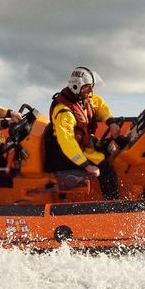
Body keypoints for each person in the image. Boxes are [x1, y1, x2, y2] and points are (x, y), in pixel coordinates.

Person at [43, 66, 122, 199]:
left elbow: (99, 104)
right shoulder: (64, 112)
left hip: (82, 144)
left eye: (91, 87)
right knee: (105, 167)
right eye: (87, 87)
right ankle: (112, 203)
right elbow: (67, 141)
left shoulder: (84, 98)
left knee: (111, 149)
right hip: (66, 152)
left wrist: (111, 122)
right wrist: (85, 165)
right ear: (76, 87)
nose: (91, 91)